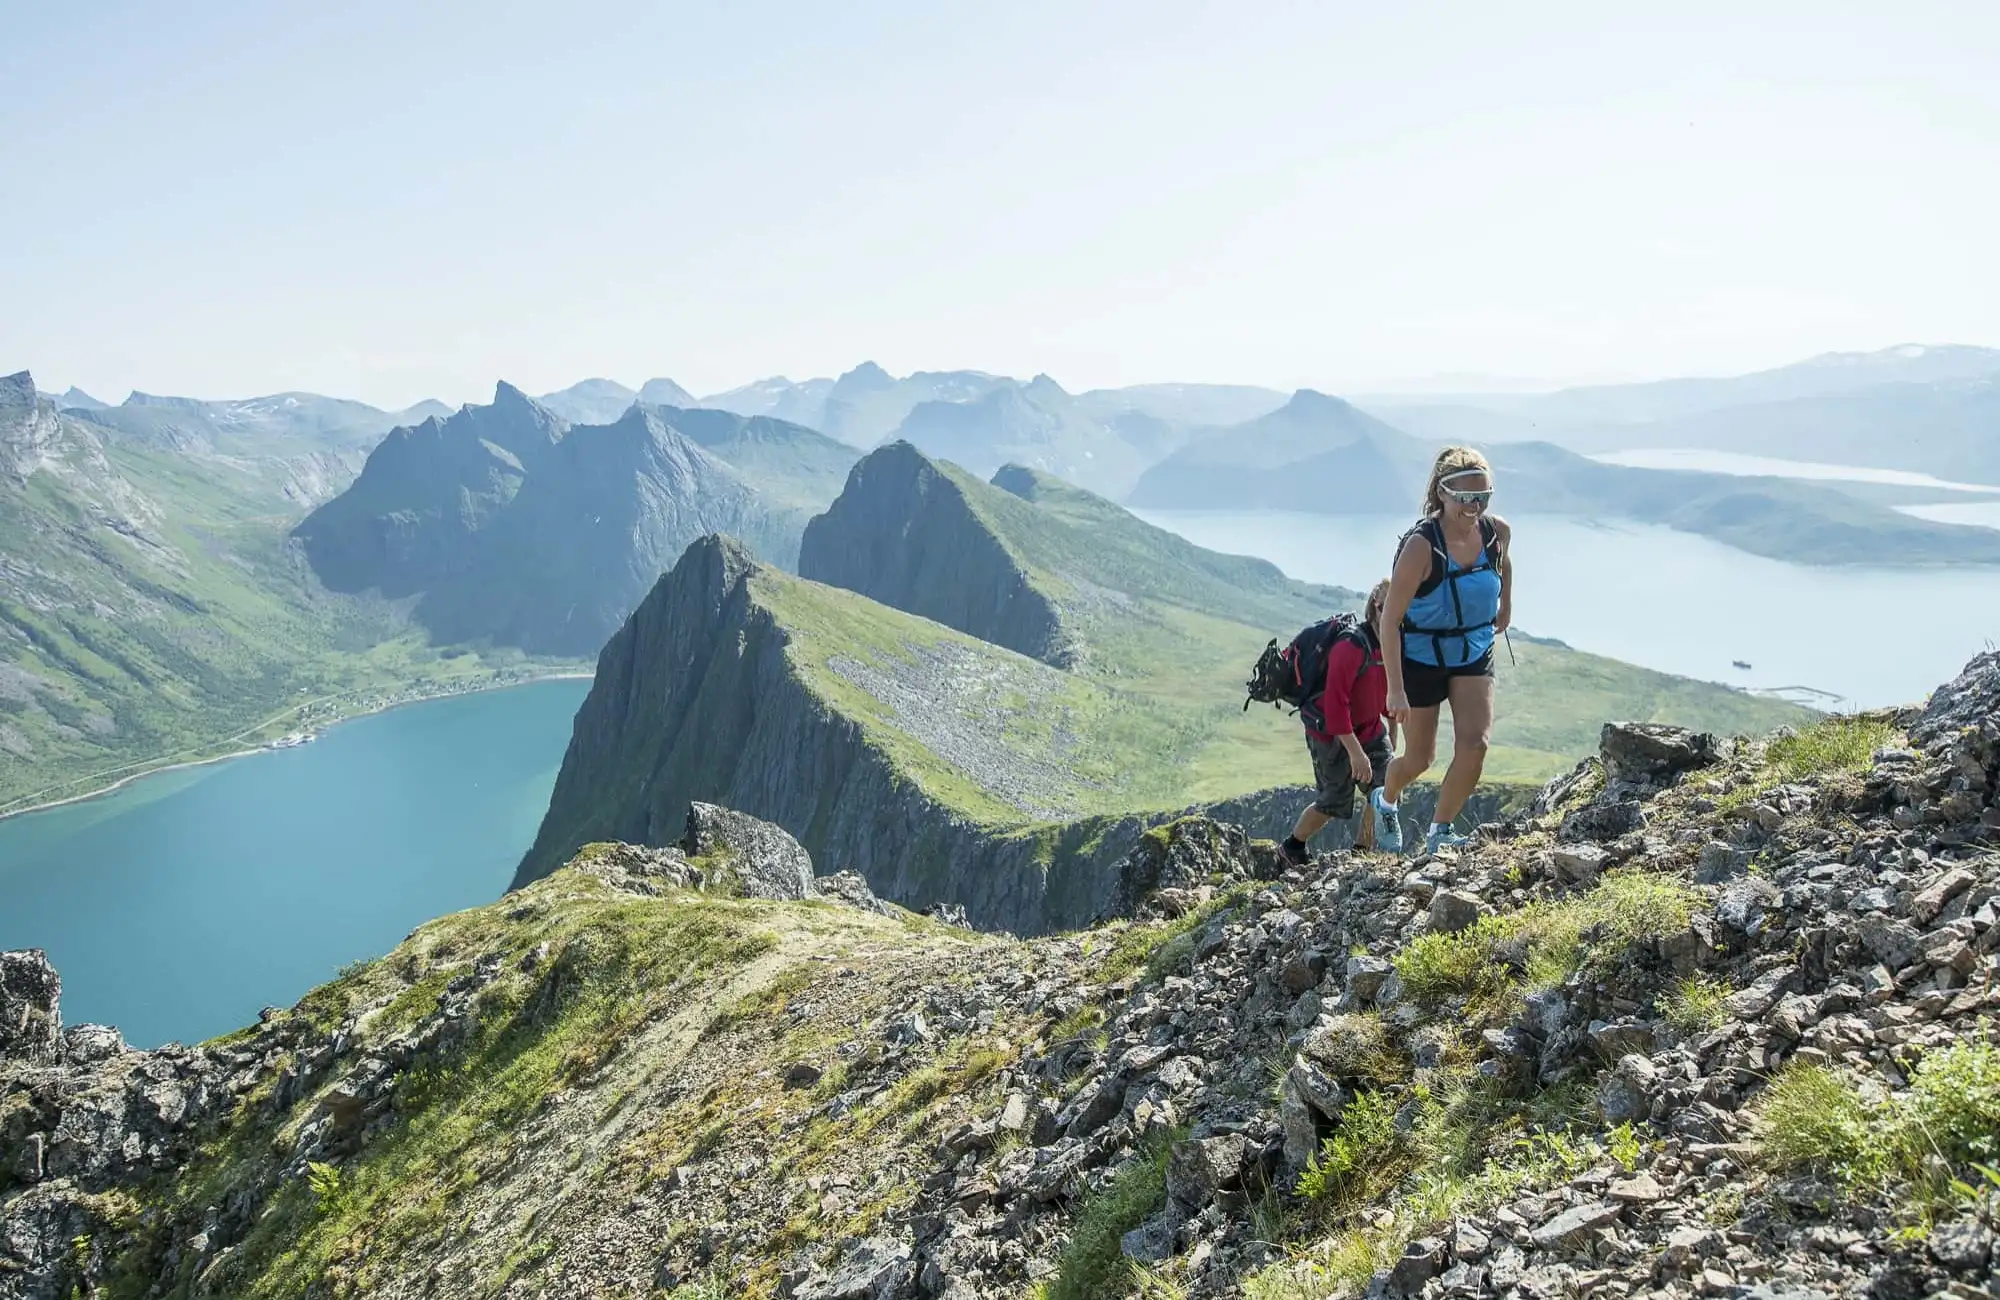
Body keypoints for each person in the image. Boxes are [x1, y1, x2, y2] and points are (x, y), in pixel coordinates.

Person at [1372, 446, 1512, 856]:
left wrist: (1506, 604)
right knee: (1418, 760)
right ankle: (1386, 800)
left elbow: (1504, 564)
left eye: (1482, 497)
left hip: (1473, 650)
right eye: (1464, 498)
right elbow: (1389, 620)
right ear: (1442, 493)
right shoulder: (1421, 546)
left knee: (1475, 744)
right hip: (1421, 657)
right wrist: (1395, 690)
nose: (1474, 506)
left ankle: (1440, 833)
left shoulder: (1495, 531)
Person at [1278, 581, 1397, 867]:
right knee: (1335, 800)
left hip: (1368, 726)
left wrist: (1393, 733)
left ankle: (1362, 850)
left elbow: (1387, 693)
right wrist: (1356, 753)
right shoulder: (1350, 646)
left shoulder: (1393, 644)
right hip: (1330, 732)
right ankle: (1292, 847)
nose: (1391, 614)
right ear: (1373, 608)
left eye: (1399, 607)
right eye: (1384, 607)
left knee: (1385, 785)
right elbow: (1335, 707)